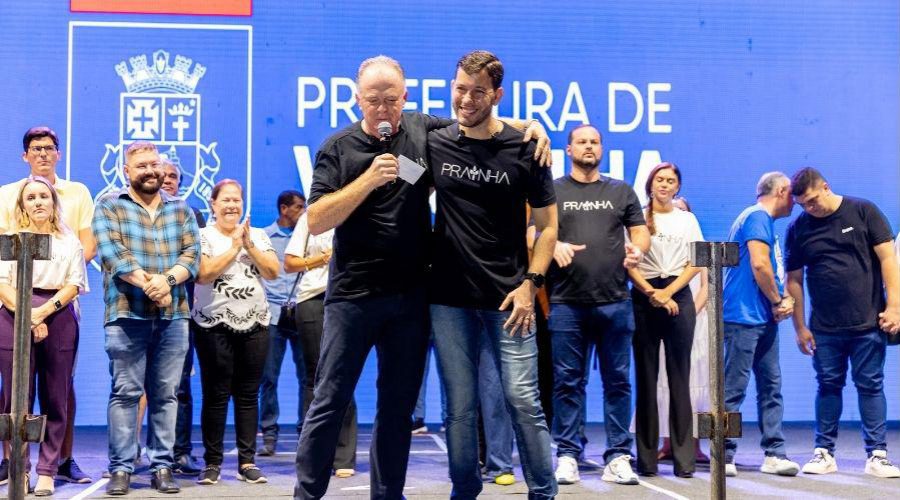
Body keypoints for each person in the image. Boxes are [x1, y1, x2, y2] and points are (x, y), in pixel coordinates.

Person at [294, 54, 549, 500]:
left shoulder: (420, 130)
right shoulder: (338, 148)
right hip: (353, 296)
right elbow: (316, 220)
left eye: (391, 99)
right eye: (373, 100)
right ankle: (307, 492)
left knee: (397, 406)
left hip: (412, 296)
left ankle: (388, 493)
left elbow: (476, 117)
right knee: (329, 400)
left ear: (405, 98)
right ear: (357, 100)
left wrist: (532, 126)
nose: (383, 109)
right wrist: (368, 181)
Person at [428, 50, 558, 499]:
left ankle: (544, 492)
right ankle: (464, 492)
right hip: (447, 298)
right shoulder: (435, 141)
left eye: (477, 92)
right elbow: (401, 178)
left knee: (523, 401)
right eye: (459, 88)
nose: (465, 99)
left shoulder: (528, 150)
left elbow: (548, 228)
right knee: (459, 410)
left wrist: (531, 284)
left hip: (510, 299)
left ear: (497, 95)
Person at [92, 141, 200, 496]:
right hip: (126, 315)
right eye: (141, 166)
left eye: (154, 165)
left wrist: (166, 281)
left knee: (166, 394)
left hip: (174, 316)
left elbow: (192, 256)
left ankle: (162, 465)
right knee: (125, 393)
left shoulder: (181, 209)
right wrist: (151, 284)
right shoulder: (110, 205)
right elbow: (112, 255)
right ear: (127, 171)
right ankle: (121, 468)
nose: (150, 171)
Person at [548, 124, 649, 486]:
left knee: (618, 382)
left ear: (601, 149)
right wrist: (552, 245)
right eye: (581, 142)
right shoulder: (553, 190)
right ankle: (567, 455)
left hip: (615, 302)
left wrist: (639, 248)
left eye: (594, 142)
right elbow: (533, 233)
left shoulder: (620, 190)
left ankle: (619, 455)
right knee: (566, 383)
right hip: (566, 304)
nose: (588, 147)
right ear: (569, 149)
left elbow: (640, 231)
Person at [785, 167, 900, 478]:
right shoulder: (799, 228)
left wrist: (895, 308)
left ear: (826, 186)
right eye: (803, 204)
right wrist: (799, 326)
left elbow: (889, 259)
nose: (810, 208)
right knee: (828, 386)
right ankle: (824, 453)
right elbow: (794, 279)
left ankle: (877, 455)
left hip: (868, 322)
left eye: (812, 201)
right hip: (824, 327)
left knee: (871, 385)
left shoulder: (864, 211)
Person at [0, 126, 96, 485]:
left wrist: (44, 311)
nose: (38, 202)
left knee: (56, 394)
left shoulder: (69, 239)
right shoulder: (10, 239)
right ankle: (16, 468)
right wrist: (27, 314)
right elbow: (2, 282)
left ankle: (48, 469)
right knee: (15, 397)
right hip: (13, 310)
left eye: (44, 197)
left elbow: (76, 279)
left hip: (57, 311)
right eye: (32, 198)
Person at [192, 179, 279, 485]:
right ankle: (212, 463)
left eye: (237, 200)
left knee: (247, 395)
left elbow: (272, 271)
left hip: (255, 323)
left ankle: (247, 461)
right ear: (213, 204)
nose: (232, 206)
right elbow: (203, 274)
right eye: (225, 200)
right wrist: (234, 248)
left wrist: (249, 244)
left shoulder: (256, 235)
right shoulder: (202, 236)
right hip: (212, 324)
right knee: (215, 396)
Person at [720, 172, 800, 477]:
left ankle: (774, 453)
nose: (795, 201)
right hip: (742, 317)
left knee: (771, 387)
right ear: (780, 191)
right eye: (792, 194)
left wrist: (775, 304)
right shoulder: (756, 217)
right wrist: (779, 299)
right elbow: (760, 264)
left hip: (761, 318)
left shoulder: (759, 219)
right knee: (733, 390)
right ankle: (723, 454)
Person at [628, 162, 702, 478]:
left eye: (671, 180)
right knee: (646, 379)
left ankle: (684, 461)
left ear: (677, 187)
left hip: (677, 296)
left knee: (679, 379)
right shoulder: (636, 217)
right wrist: (651, 293)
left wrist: (669, 292)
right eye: (660, 179)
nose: (665, 184)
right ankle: (646, 460)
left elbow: (697, 261)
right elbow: (627, 261)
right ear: (650, 184)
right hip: (644, 297)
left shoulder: (687, 219)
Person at [284, 209, 358, 478]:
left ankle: (343, 456)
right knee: (315, 377)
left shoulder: (361, 209)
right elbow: (290, 263)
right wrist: (324, 258)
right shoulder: (311, 215)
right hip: (313, 298)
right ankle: (313, 455)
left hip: (350, 296)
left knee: (344, 374)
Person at [655, 196, 710, 464]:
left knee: (695, 381)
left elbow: (705, 287)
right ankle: (667, 442)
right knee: (665, 380)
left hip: (694, 324)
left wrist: (689, 313)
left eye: (681, 210)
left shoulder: (697, 247)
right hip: (665, 317)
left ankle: (696, 445)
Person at [258, 190, 307, 457]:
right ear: (284, 209)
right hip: (273, 314)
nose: (303, 212)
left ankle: (305, 431)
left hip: (302, 312)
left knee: (307, 378)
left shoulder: (308, 236)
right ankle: (269, 433)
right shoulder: (264, 236)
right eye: (299, 207)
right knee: (268, 378)